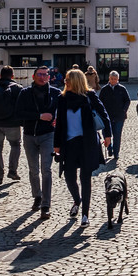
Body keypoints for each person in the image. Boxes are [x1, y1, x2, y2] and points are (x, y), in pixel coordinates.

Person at [53, 68, 112, 226]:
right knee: (69, 177)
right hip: (69, 144)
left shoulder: (89, 96)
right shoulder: (62, 98)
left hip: (87, 143)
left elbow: (104, 114)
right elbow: (59, 124)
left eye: (68, 80)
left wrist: (108, 135)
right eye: (65, 80)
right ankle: (77, 201)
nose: (65, 82)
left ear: (76, 81)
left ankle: (85, 214)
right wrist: (56, 145)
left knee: (85, 178)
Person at [16, 65, 61, 219]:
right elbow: (19, 113)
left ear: (49, 77)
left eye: (45, 75)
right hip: (29, 135)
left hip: (48, 135)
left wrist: (57, 120)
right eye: (40, 74)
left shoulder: (56, 93)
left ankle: (46, 205)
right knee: (33, 170)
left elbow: (61, 112)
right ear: (34, 76)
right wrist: (39, 116)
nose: (42, 77)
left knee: (46, 170)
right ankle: (37, 197)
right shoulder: (25, 93)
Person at [98, 70, 131, 163]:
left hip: (119, 116)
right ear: (109, 78)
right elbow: (100, 102)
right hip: (107, 117)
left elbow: (127, 100)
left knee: (117, 135)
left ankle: (116, 153)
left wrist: (123, 110)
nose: (113, 81)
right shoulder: (104, 89)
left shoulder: (122, 89)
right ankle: (109, 148)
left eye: (115, 79)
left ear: (118, 79)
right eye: (112, 79)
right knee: (106, 134)